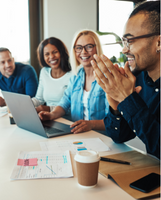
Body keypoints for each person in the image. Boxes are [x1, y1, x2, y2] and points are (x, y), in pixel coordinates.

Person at [91, 1, 160, 159]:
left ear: (159, 43)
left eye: (130, 41)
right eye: (123, 42)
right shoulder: (137, 78)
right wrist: (116, 107)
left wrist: (127, 99)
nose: (124, 49)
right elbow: (119, 136)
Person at [38, 30, 108, 134]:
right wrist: (52, 115)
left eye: (89, 46)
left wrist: (91, 124)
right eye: (79, 48)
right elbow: (65, 103)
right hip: (78, 135)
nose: (83, 52)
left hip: (102, 138)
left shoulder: (107, 78)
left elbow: (114, 120)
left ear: (97, 48)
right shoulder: (76, 76)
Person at [32, 37, 73, 113]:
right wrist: (25, 104)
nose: (51, 57)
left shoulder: (73, 74)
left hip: (66, 119)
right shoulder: (44, 72)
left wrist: (48, 109)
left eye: (54, 52)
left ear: (61, 52)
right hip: (47, 117)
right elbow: (39, 99)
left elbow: (74, 107)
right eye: (47, 54)